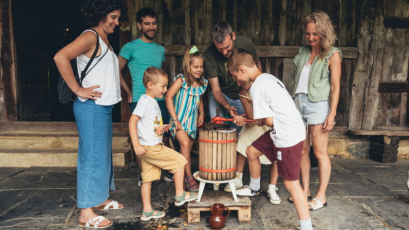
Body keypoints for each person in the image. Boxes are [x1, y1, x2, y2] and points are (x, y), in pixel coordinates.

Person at [54, 0, 127, 228]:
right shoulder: (90, 36)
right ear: (101, 15)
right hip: (91, 107)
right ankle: (86, 212)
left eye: (117, 17)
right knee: (91, 157)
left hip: (103, 107)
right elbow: (60, 57)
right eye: (113, 17)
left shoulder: (105, 39)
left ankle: (100, 198)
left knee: (102, 155)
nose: (117, 22)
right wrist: (77, 88)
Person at [228, 49, 313, 230]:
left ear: (242, 69)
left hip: (287, 135)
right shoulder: (268, 78)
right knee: (251, 151)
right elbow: (270, 116)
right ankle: (254, 188)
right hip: (282, 128)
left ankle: (307, 227)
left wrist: (255, 119)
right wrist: (257, 118)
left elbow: (266, 120)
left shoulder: (257, 87)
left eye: (235, 77)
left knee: (291, 183)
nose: (237, 82)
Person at [129, 67, 198, 221]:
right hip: (150, 147)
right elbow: (132, 121)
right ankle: (180, 194)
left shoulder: (152, 102)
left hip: (149, 145)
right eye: (163, 86)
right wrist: (136, 145)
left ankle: (147, 211)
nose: (165, 90)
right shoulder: (144, 101)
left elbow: (146, 124)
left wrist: (159, 129)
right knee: (180, 161)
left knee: (147, 178)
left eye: (166, 86)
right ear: (150, 84)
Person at [290, 11, 342, 211]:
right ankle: (305, 192)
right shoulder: (303, 51)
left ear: (324, 33)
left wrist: (332, 113)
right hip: (298, 103)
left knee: (319, 153)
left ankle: (321, 196)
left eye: (315, 34)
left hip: (318, 105)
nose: (311, 38)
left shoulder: (333, 54)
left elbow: (336, 87)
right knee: (302, 151)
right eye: (308, 34)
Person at [118, 8, 173, 186]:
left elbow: (158, 76)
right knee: (142, 138)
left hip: (160, 101)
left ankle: (162, 171)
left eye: (154, 23)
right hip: (140, 100)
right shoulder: (130, 47)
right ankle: (144, 175)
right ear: (139, 25)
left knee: (162, 136)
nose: (151, 27)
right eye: (147, 23)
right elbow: (115, 70)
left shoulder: (160, 49)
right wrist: (128, 92)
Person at [204, 21, 259, 191]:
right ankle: (217, 174)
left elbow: (256, 66)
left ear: (233, 36)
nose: (225, 52)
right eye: (220, 49)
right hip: (222, 96)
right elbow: (215, 90)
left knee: (243, 134)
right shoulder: (209, 55)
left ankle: (235, 176)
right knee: (217, 135)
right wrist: (228, 108)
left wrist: (253, 94)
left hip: (244, 93)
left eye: (228, 47)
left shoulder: (246, 43)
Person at [226, 80, 281, 205]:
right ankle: (237, 178)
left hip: (273, 123)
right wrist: (243, 120)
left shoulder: (267, 87)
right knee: (243, 137)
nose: (240, 84)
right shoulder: (243, 93)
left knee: (278, 150)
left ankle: (272, 188)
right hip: (256, 123)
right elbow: (251, 122)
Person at [165, 46, 208, 192]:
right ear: (187, 66)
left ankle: (180, 175)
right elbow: (168, 96)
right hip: (178, 122)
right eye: (195, 66)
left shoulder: (201, 83)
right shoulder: (181, 80)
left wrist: (202, 113)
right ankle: (189, 178)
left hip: (191, 122)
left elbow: (199, 98)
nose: (199, 69)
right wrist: (175, 119)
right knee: (184, 144)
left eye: (201, 67)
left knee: (187, 149)